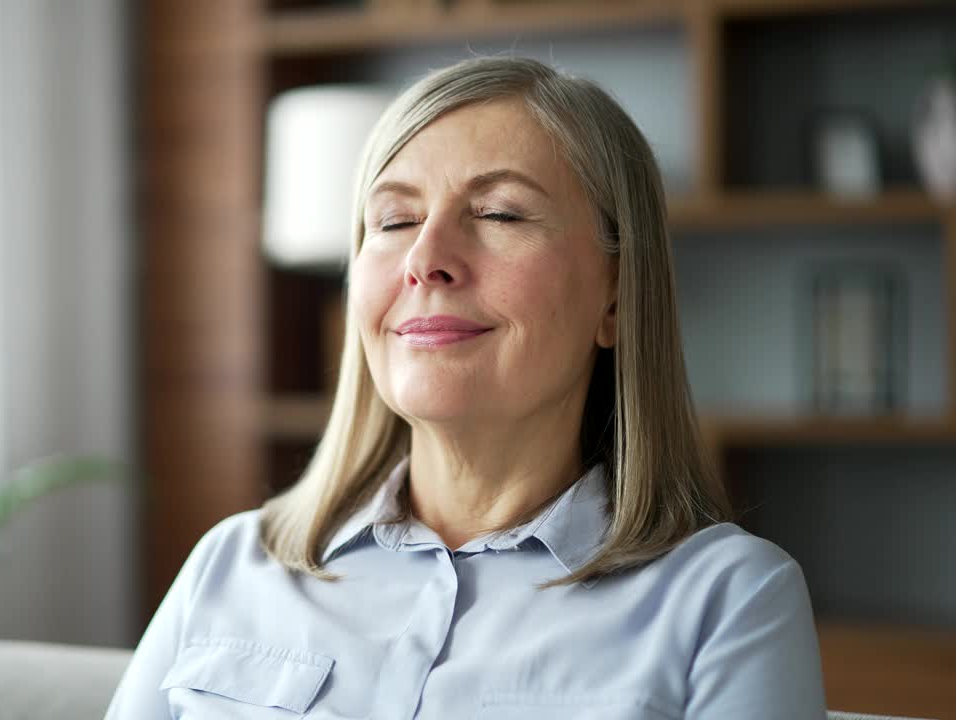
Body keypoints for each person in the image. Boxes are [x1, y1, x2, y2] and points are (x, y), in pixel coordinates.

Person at [106, 56, 826, 719]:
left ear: (617, 294)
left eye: (500, 213)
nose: (425, 259)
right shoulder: (230, 564)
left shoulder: (729, 601)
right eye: (394, 220)